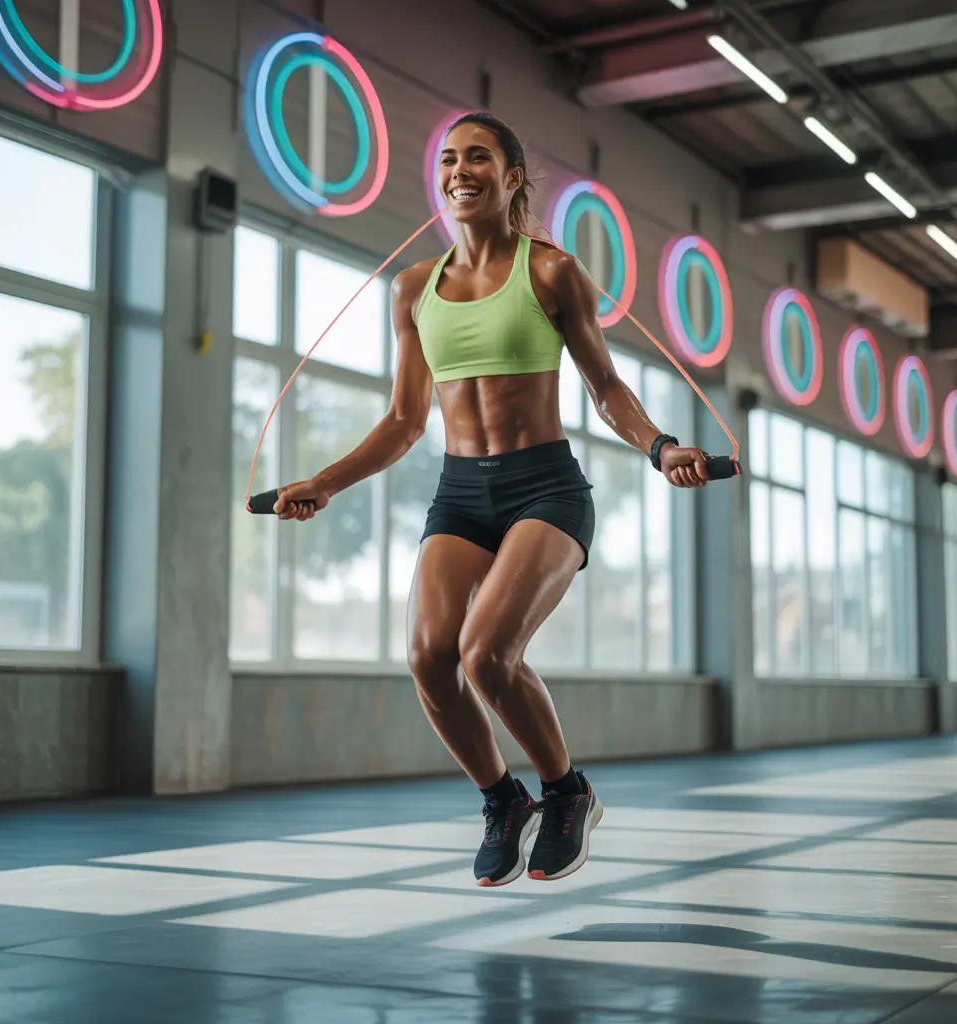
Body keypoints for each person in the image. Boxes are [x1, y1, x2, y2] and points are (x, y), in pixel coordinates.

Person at [271, 112, 711, 886]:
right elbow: (407, 421)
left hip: (545, 486)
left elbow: (605, 387)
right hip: (461, 491)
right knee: (428, 657)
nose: (459, 169)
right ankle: (502, 800)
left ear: (511, 179)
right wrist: (323, 484)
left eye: (479, 157)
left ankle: (567, 790)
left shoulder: (550, 273)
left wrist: (662, 448)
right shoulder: (414, 289)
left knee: (486, 653)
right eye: (448, 158)